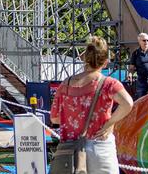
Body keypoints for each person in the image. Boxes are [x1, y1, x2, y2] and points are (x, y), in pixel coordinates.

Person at [51, 36, 134, 173]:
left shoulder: (65, 85)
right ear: (106, 62)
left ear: (84, 58)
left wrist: (74, 119)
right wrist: (110, 122)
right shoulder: (109, 84)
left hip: (70, 152)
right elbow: (128, 103)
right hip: (100, 147)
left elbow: (55, 118)